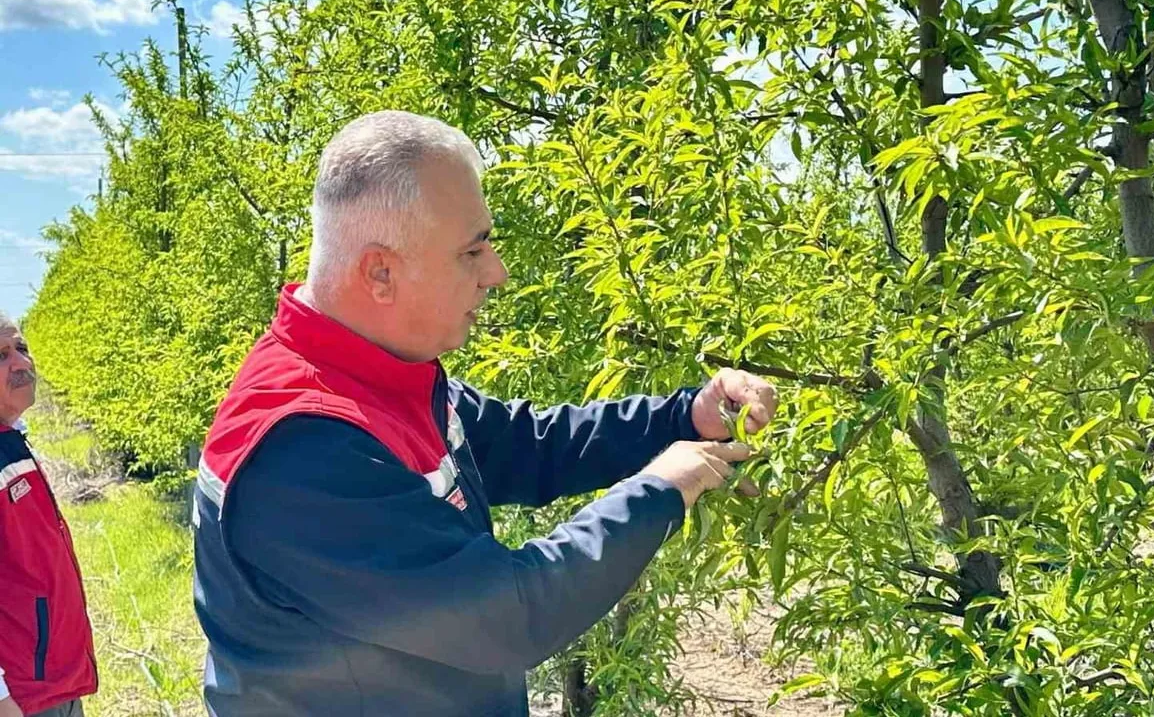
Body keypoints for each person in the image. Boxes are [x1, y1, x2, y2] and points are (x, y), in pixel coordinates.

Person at [191, 110, 779, 716]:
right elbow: (507, 615)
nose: (495, 274)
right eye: (472, 251)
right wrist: (660, 488)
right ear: (381, 272)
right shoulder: (301, 448)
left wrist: (685, 416)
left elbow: (531, 444)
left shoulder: (382, 372)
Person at [0, 313, 97, 717]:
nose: (21, 363)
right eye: (1, 356)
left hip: (51, 685)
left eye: (21, 348)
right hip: (22, 697)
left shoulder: (11, 440)